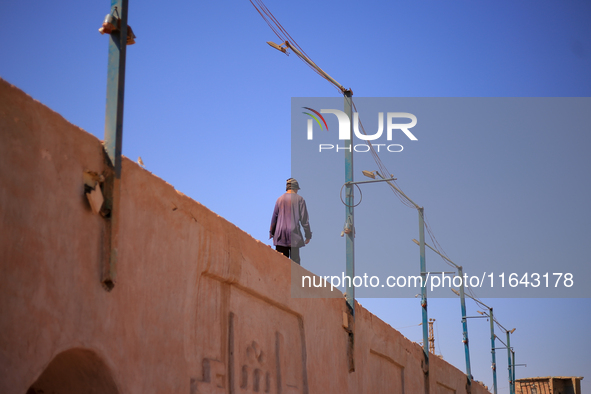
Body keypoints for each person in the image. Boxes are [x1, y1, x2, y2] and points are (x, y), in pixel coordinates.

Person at [269, 178, 312, 265]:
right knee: (295, 265)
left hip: (280, 235)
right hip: (294, 236)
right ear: (296, 188)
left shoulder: (279, 199)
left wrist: (272, 233)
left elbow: (274, 218)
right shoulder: (300, 200)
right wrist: (308, 235)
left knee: (280, 264)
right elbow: (304, 220)